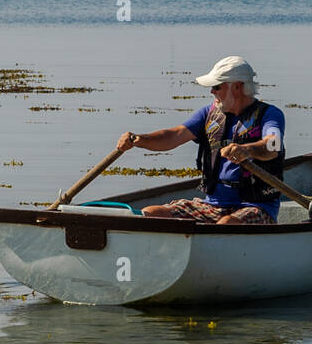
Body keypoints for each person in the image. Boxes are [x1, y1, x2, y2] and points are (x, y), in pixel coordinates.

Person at [115, 56, 286, 224]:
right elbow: (174, 135)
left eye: (217, 87)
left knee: (227, 224)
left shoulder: (269, 114)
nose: (212, 92)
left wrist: (247, 150)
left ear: (237, 87)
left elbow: (273, 145)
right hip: (213, 205)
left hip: (256, 205)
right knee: (151, 213)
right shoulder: (208, 114)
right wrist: (140, 139)